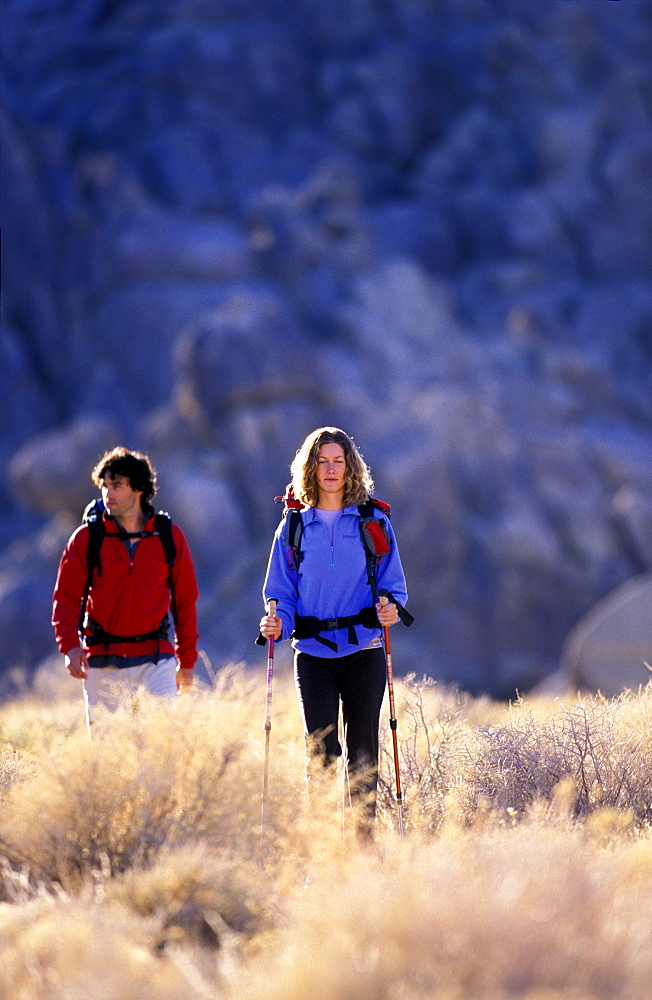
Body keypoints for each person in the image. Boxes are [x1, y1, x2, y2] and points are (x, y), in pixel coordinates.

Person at [259, 427, 410, 834]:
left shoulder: (372, 520)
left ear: (349, 467)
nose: (330, 469)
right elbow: (281, 594)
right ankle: (324, 845)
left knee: (363, 755)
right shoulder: (293, 527)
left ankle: (362, 847)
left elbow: (392, 585)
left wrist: (389, 608)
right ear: (310, 467)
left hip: (365, 650)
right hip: (312, 657)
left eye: (337, 461)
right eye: (322, 461)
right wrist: (276, 623)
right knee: (321, 755)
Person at [52, 447, 199, 729]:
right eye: (105, 486)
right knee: (108, 758)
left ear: (139, 488)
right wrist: (70, 647)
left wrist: (187, 660)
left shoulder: (169, 536)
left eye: (117, 485)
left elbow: (185, 601)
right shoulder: (86, 538)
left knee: (162, 750)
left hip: (156, 660)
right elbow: (66, 597)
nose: (108, 493)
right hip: (101, 662)